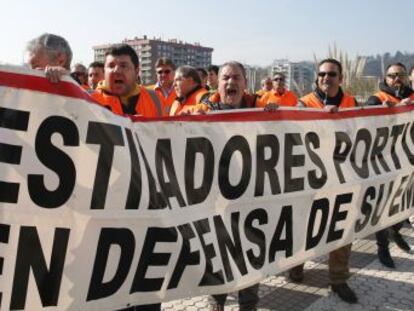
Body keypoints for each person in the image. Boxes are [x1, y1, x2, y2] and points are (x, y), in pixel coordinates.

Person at [192, 62, 260, 311]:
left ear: (245, 83)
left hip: (251, 201)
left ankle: (248, 304)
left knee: (251, 255)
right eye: (225, 78)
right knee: (216, 255)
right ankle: (216, 302)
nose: (230, 82)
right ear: (216, 83)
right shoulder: (202, 111)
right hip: (215, 202)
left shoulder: (262, 109)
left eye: (236, 78)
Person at [290, 58, 358, 304]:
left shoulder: (353, 103)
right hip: (309, 179)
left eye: (331, 74)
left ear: (341, 78)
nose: (325, 78)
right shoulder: (304, 103)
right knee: (303, 226)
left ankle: (339, 280)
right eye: (321, 74)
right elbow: (291, 131)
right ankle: (296, 265)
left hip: (342, 178)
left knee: (342, 226)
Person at [366, 62, 413, 268]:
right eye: (392, 75)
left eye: (401, 75)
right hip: (384, 163)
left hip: (407, 161)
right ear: (385, 78)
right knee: (383, 205)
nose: (397, 79)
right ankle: (382, 247)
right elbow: (362, 124)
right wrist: (379, 113)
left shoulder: (411, 98)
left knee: (402, 200)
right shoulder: (377, 99)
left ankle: (396, 231)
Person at [91, 44, 162, 118]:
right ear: (104, 71)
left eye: (123, 66)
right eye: (111, 66)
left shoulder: (154, 99)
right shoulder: (89, 101)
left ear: (136, 71)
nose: (117, 71)